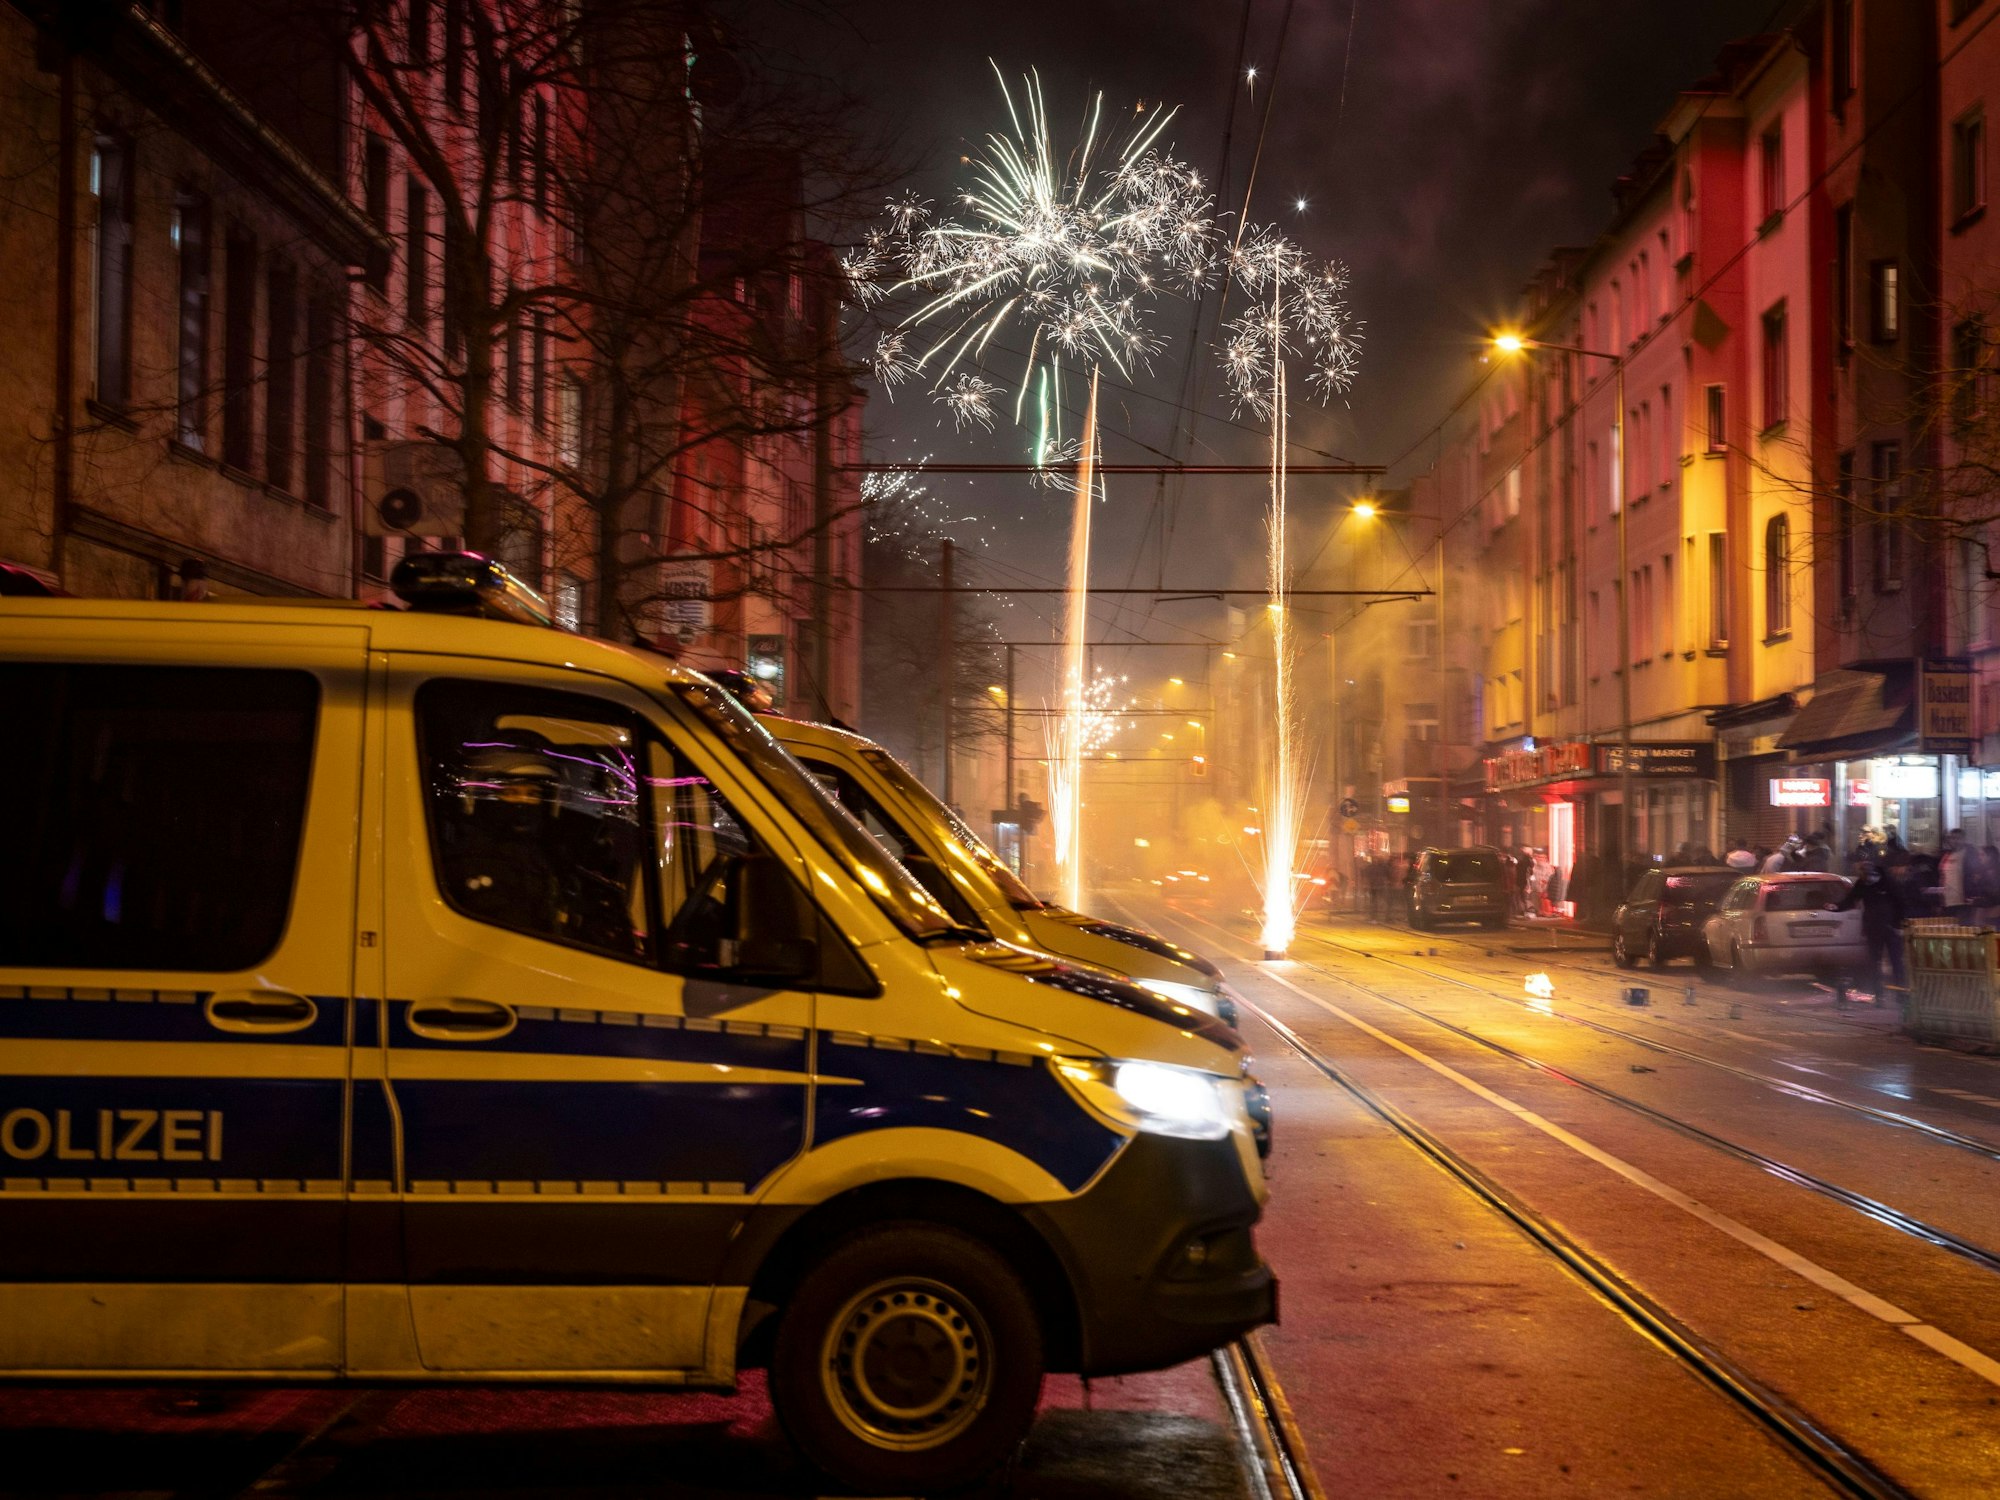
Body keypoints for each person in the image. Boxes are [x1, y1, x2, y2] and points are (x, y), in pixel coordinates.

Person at [1832, 860, 1908, 1007]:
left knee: (1896, 962)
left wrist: (1898, 924)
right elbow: (1851, 899)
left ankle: (1901, 995)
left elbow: (1901, 902)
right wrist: (1837, 907)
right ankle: (1879, 996)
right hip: (1874, 927)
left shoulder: (1888, 882)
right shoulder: (1862, 883)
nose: (1868, 881)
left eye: (1869, 878)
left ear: (1874, 874)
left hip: (1890, 928)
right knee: (1875, 962)